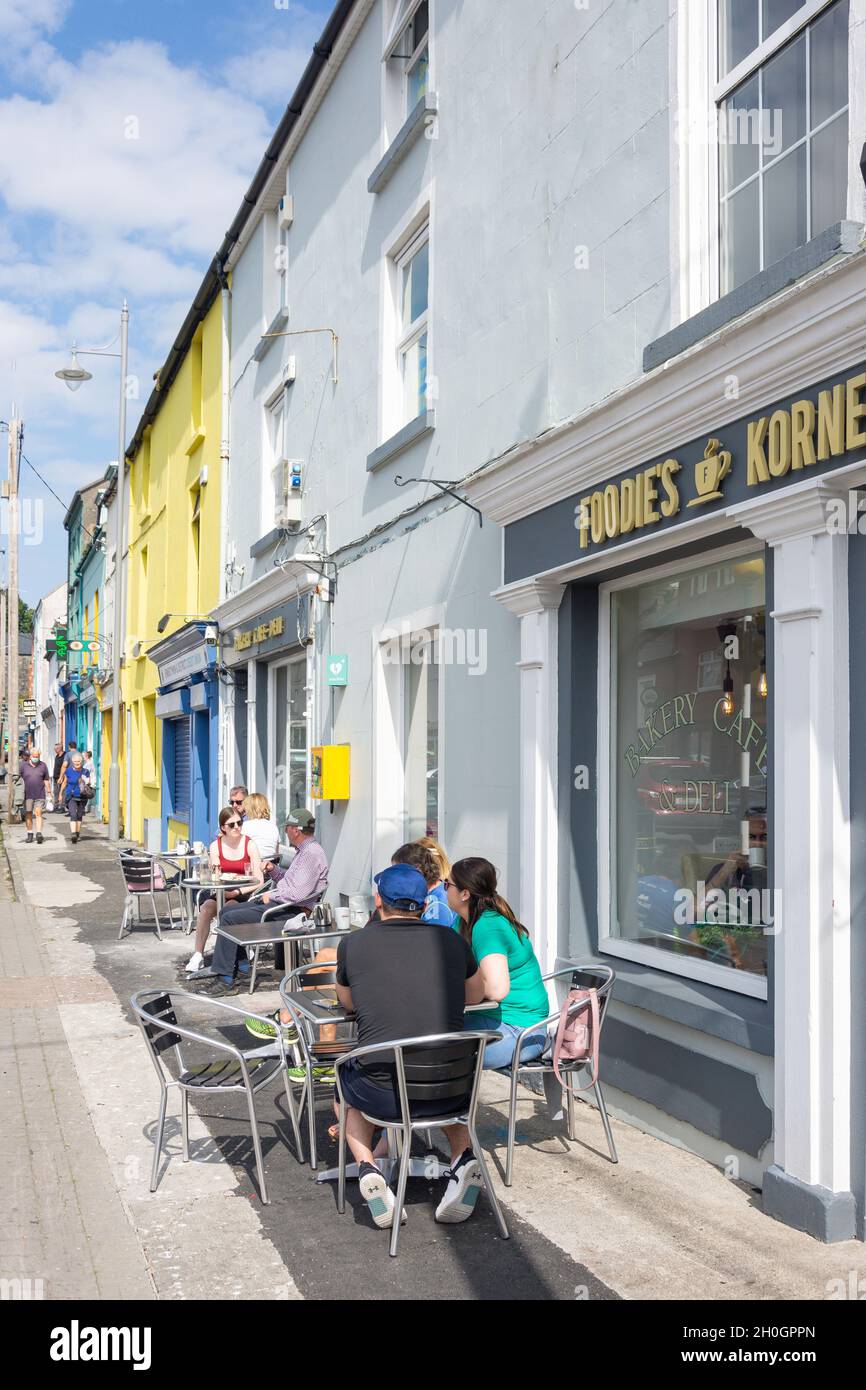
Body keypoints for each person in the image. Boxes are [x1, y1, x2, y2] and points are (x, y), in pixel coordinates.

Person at [333, 863, 488, 1230]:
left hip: (383, 1093)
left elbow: (348, 1001)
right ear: (424, 902)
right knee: (446, 1093)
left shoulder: (353, 944)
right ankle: (462, 1158)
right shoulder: (452, 940)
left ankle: (369, 1168)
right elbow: (477, 993)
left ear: (378, 901)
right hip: (451, 1089)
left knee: (344, 1083)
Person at [192, 807, 328, 995]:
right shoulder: (304, 851)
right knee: (225, 913)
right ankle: (242, 968)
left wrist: (271, 896)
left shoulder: (311, 854)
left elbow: (297, 895)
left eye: (287, 827)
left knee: (231, 918)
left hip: (291, 912)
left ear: (296, 830)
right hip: (283, 905)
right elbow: (291, 881)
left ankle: (225, 980)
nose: (285, 831)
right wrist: (273, 869)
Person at [446, 857, 550, 1071]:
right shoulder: (462, 923)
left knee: (437, 1053)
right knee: (421, 1040)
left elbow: (496, 989)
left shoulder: (488, 926)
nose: (444, 889)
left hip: (521, 1030)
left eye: (448, 884)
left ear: (465, 894)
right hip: (488, 1019)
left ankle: (455, 1104)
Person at [185, 806, 264, 974]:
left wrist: (238, 892)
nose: (237, 827)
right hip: (221, 891)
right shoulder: (216, 846)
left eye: (239, 823)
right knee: (206, 909)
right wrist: (213, 869)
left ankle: (235, 952)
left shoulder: (249, 844)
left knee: (228, 911)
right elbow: (215, 872)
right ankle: (198, 955)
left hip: (244, 893)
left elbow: (259, 880)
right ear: (223, 828)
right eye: (232, 824)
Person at [391, 841, 458, 927]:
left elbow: (434, 938)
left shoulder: (437, 903)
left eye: (399, 872)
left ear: (417, 871)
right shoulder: (430, 892)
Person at [19, 747, 50, 844]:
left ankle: (39, 833)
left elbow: (46, 779)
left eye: (37, 756)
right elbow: (18, 780)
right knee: (28, 814)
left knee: (38, 813)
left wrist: (49, 792)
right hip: (27, 794)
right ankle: (30, 834)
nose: (36, 758)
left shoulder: (43, 765)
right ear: (30, 756)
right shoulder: (23, 766)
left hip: (40, 794)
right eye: (34, 756)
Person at [240, 792, 280, 863]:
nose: (245, 812)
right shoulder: (273, 827)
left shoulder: (245, 826)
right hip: (271, 867)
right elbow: (276, 852)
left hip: (253, 866)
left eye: (245, 809)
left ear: (250, 809)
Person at [59, 752, 89, 844]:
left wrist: (85, 781)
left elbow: (88, 783)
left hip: (82, 796)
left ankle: (77, 833)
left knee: (79, 815)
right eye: (75, 761)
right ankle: (73, 834)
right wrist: (60, 793)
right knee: (73, 815)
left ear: (82, 761)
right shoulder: (68, 771)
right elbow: (64, 782)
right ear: (72, 761)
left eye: (79, 761)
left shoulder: (85, 771)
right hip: (71, 796)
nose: (77, 763)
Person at [51, 743, 65, 810]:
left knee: (62, 792)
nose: (54, 750)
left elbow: (65, 767)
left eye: (55, 749)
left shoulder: (65, 756)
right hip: (55, 777)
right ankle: (55, 806)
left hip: (61, 778)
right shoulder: (57, 756)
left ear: (59, 749)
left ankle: (62, 806)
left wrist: (61, 777)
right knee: (56, 792)